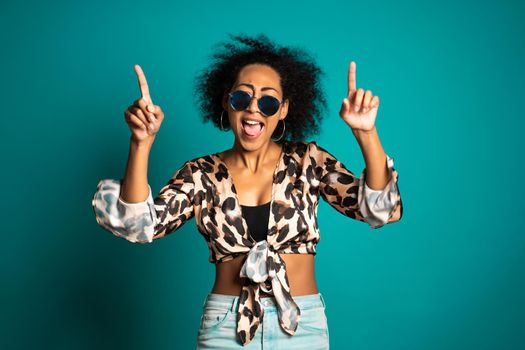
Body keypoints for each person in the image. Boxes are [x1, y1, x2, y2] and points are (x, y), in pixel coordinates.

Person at [91, 34, 403, 349]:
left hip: (301, 325)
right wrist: (140, 143)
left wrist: (366, 132)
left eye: (268, 102)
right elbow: (140, 226)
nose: (254, 109)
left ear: (283, 110)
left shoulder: (308, 161)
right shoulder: (201, 175)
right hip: (226, 327)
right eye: (242, 98)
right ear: (227, 101)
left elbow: (382, 210)